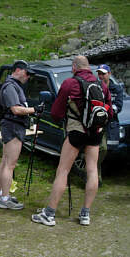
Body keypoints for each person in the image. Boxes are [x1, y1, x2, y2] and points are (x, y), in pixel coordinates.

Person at [31, 56, 113, 226]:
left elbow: (56, 112)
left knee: (63, 171)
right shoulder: (102, 85)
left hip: (76, 132)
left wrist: (64, 120)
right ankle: (85, 214)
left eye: (72, 67)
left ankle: (49, 214)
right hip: (95, 132)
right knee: (92, 171)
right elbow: (110, 113)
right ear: (89, 67)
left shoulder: (70, 83)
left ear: (75, 67)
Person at [0, 60, 43, 210]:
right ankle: (5, 199)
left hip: (11, 126)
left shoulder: (13, 86)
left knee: (5, 161)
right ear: (18, 70)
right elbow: (15, 109)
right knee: (10, 164)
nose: (28, 77)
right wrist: (35, 110)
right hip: (13, 127)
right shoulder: (10, 87)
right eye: (27, 73)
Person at [96, 64, 123, 185]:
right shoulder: (95, 87)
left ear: (109, 74)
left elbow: (119, 106)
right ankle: (96, 175)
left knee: (109, 150)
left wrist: (106, 109)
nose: (101, 76)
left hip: (111, 123)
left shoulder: (116, 89)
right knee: (101, 148)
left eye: (103, 73)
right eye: (99, 73)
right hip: (97, 123)